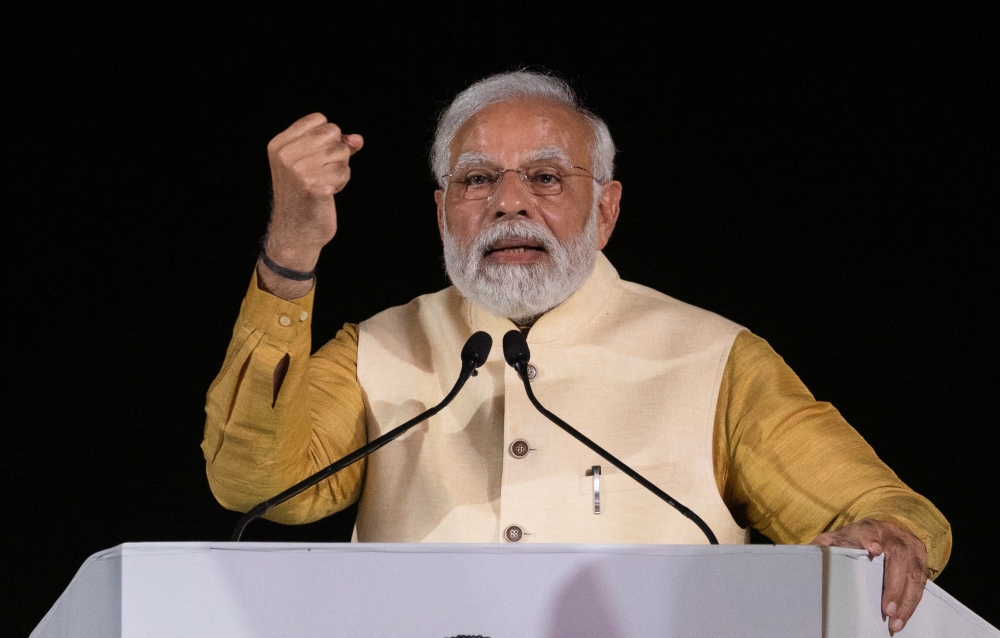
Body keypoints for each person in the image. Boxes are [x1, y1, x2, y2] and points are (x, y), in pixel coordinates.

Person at [203, 71, 950, 633]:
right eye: (476, 180)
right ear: (441, 212)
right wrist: (292, 247)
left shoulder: (714, 359)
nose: (508, 202)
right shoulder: (377, 349)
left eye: (546, 177)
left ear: (606, 211)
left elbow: (886, 511)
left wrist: (886, 535)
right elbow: (255, 480)